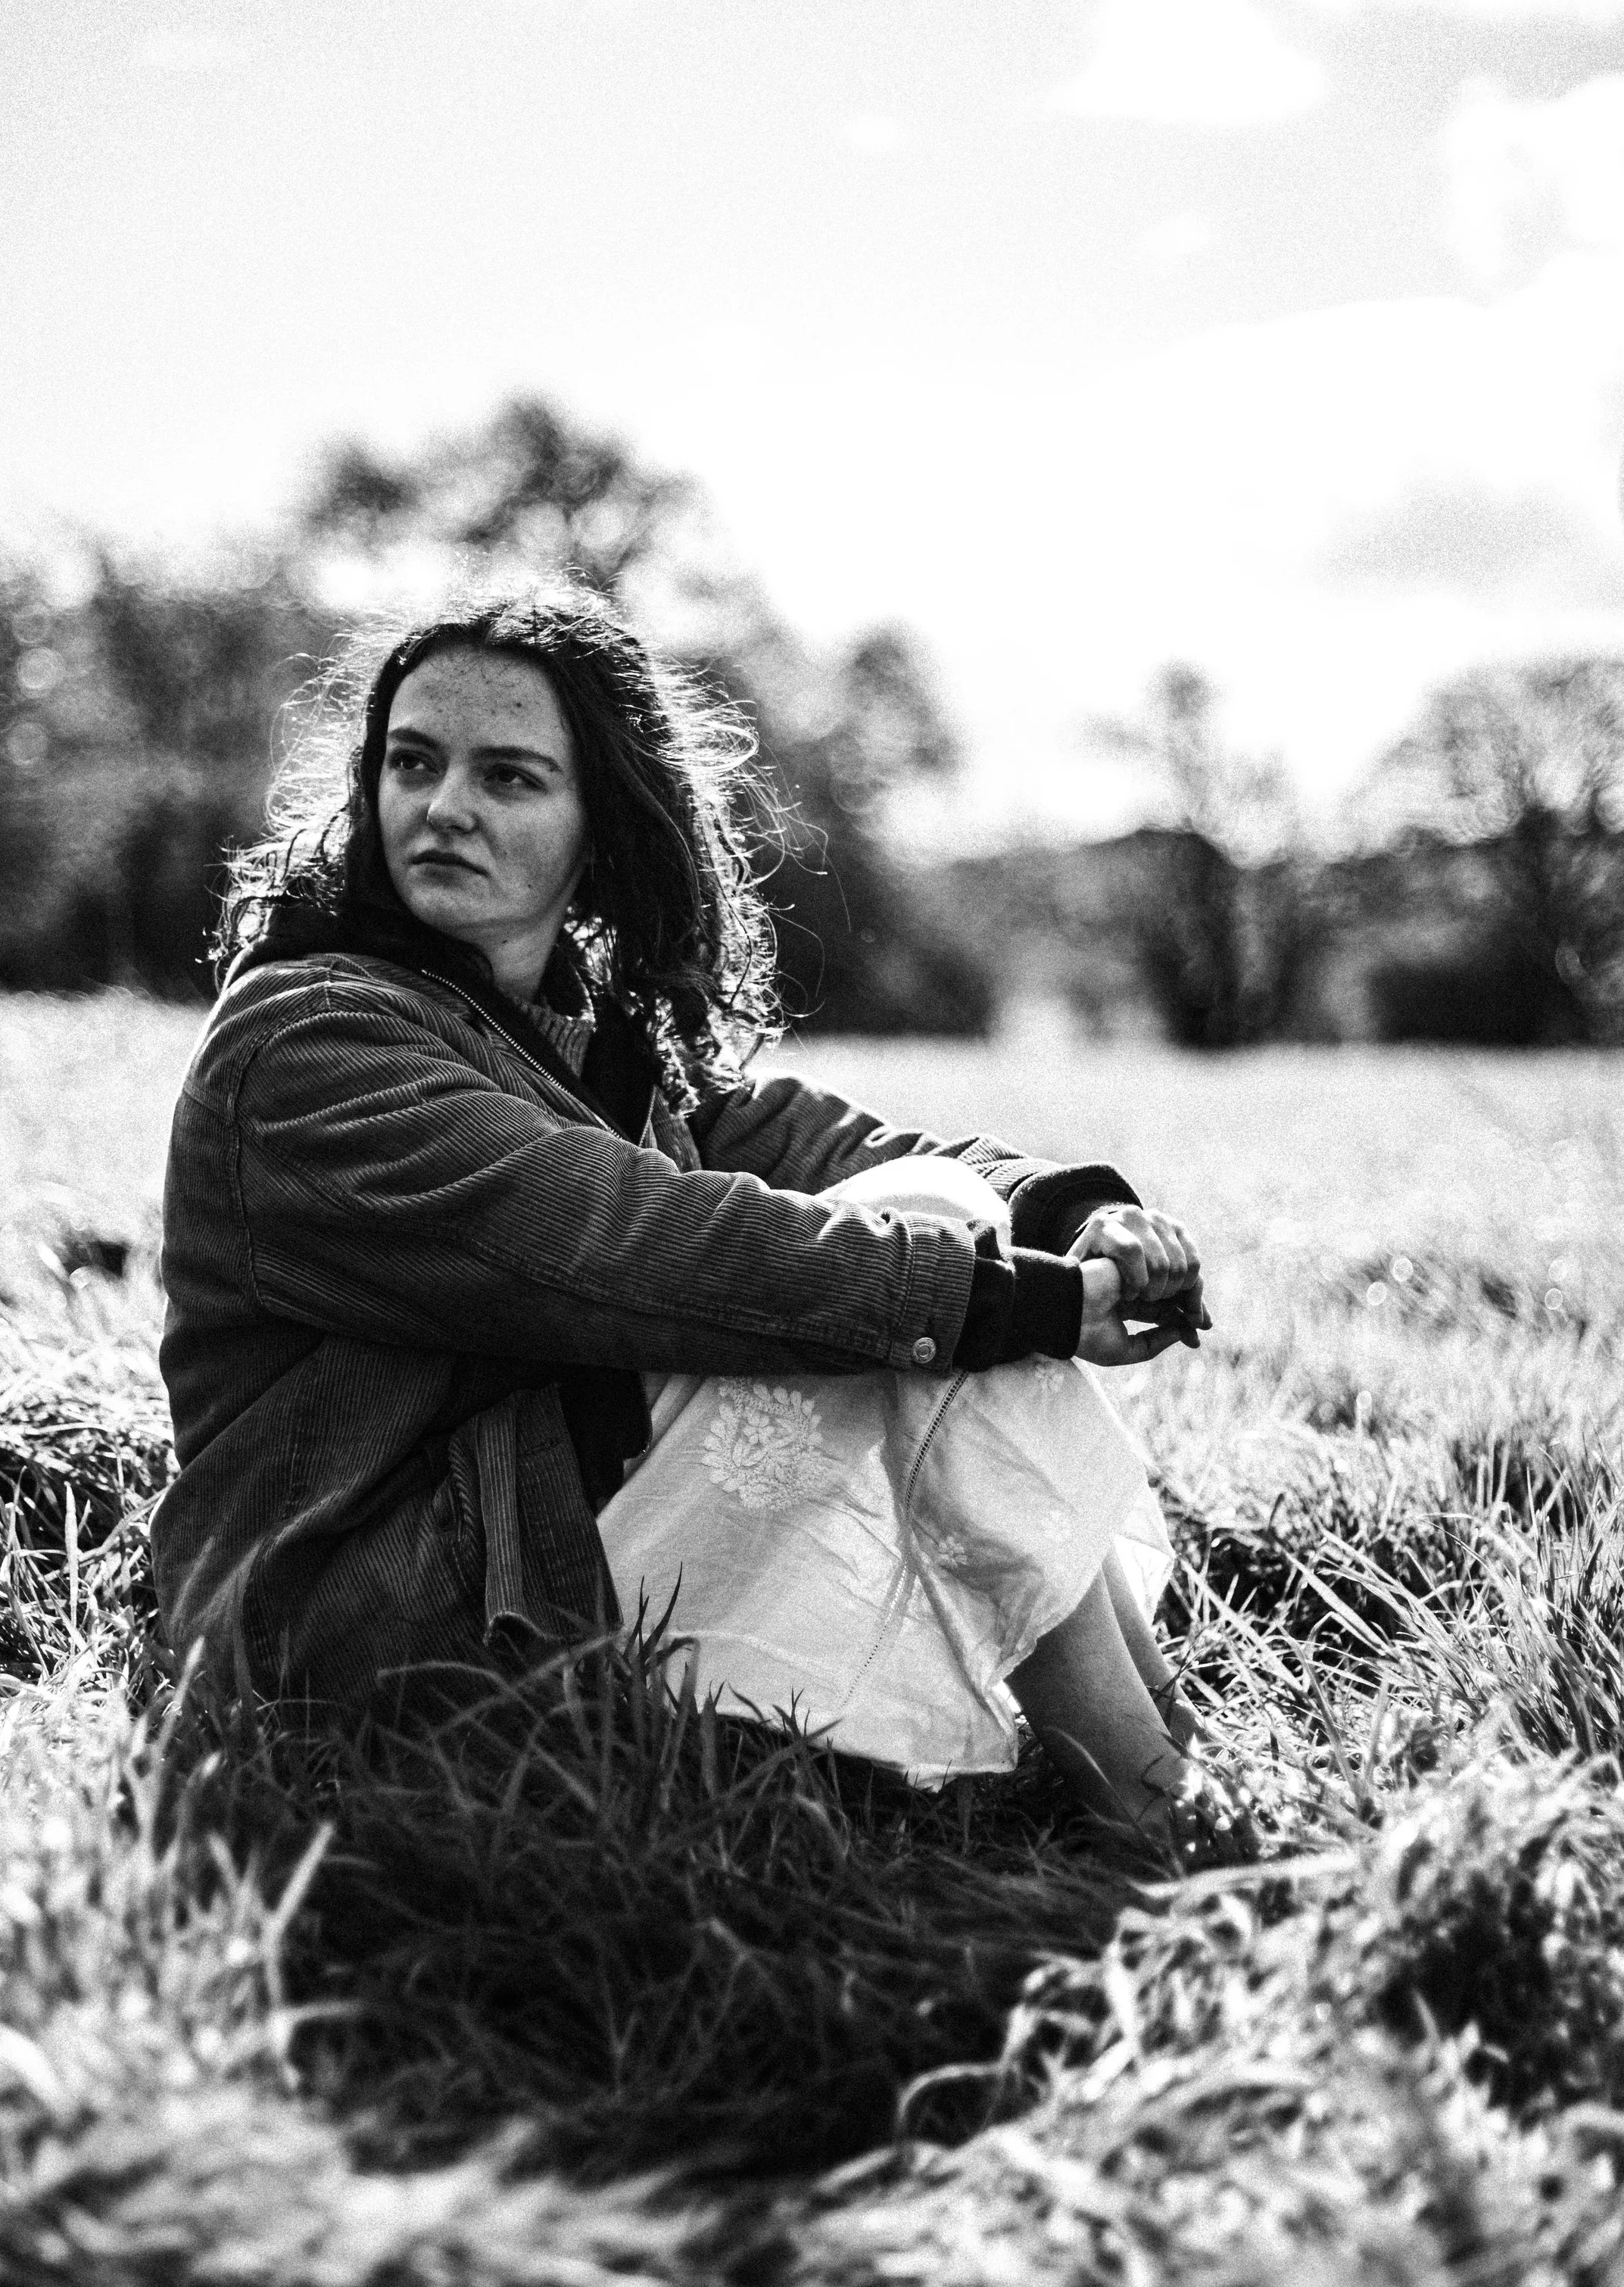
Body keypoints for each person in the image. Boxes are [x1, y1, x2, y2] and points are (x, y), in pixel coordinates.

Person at [153, 585, 1240, 1861]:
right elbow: (626, 1243)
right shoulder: (308, 1042)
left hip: (521, 1548)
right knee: (922, 1285)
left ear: (597, 830)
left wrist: (1070, 1212)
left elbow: (824, 1143)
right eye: (412, 761)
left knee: (936, 1227)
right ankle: (1158, 1805)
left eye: (508, 777)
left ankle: (1158, 1741)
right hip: (352, 1630)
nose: (444, 807)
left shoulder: (584, 1030)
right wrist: (1021, 1300)